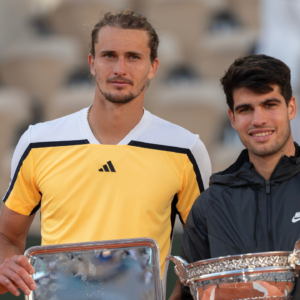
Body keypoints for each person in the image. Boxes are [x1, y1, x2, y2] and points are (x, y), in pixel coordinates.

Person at [0, 10, 211, 297]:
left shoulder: (185, 150)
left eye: (133, 57)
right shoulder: (38, 142)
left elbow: (205, 254)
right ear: (92, 63)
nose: (119, 69)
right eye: (109, 55)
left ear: (153, 66)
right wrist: (6, 265)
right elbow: (8, 235)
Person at [177, 54, 300, 299]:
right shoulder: (210, 206)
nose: (259, 120)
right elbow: (191, 293)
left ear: (291, 108)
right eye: (246, 109)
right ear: (232, 118)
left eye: (270, 105)